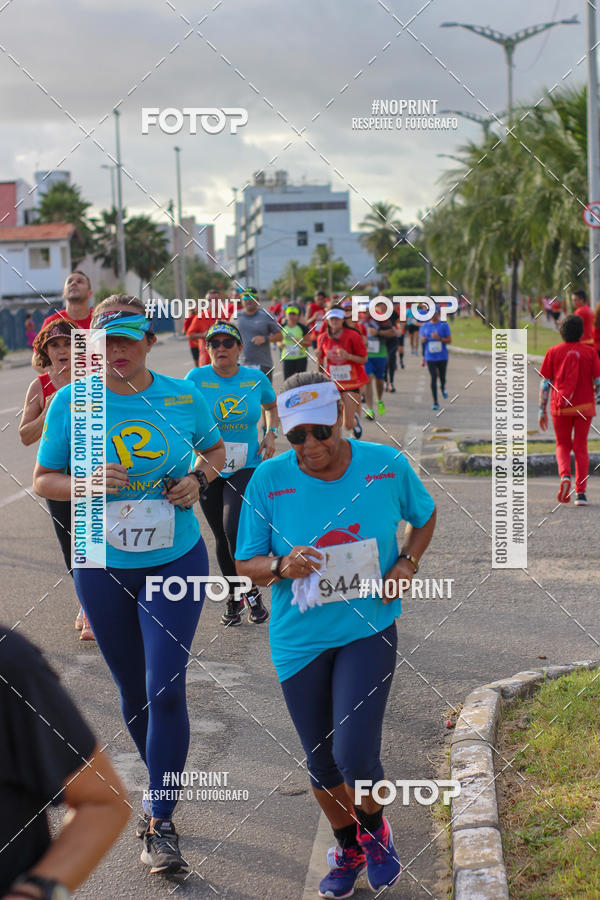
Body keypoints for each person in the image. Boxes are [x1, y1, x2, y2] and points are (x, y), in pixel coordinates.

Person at [33, 294, 226, 876]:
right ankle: (162, 780)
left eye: (128, 339)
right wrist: (86, 482)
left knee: (166, 686)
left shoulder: (183, 395)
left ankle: (159, 816)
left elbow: (217, 453)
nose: (116, 351)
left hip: (175, 557)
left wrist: (197, 478)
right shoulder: (73, 400)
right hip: (99, 558)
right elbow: (43, 479)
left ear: (150, 339)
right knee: (134, 691)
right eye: (105, 341)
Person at [235, 373, 436, 899]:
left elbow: (426, 514)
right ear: (283, 432)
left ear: (344, 416)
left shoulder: (385, 466)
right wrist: (280, 565)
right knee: (321, 759)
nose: (312, 446)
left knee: (356, 755)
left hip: (366, 627)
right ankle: (348, 845)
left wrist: (408, 562)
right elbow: (246, 562)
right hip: (298, 640)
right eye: (297, 436)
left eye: (322, 431)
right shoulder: (268, 479)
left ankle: (376, 831)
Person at [0, 625, 129, 899]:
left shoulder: (8, 662)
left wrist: (34, 892)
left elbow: (103, 801)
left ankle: (161, 815)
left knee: (159, 693)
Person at [185, 319, 276, 625]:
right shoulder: (195, 377)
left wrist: (271, 432)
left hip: (246, 465)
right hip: (208, 467)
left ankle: (248, 591)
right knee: (220, 538)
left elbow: (271, 405)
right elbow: (182, 414)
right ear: (206, 348)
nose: (220, 349)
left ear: (240, 348)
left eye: (227, 343)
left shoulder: (254, 377)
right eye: (214, 344)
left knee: (232, 527)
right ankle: (236, 596)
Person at [19, 320, 94, 641]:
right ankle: (87, 603)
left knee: (93, 542)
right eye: (54, 345)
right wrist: (46, 412)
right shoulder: (40, 386)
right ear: (45, 351)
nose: (62, 351)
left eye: (69, 344)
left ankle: (94, 609)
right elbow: (24, 435)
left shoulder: (95, 379)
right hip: (56, 475)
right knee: (70, 546)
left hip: (92, 472)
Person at [538, 314, 600, 506]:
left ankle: (565, 476)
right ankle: (580, 493)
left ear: (560, 332)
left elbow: (545, 383)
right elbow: (598, 382)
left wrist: (542, 410)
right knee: (581, 446)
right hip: (584, 407)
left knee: (562, 444)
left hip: (560, 407)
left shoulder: (553, 352)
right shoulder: (590, 353)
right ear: (582, 333)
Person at [317, 308, 368, 440]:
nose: (334, 321)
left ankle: (355, 420)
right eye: (331, 318)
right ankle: (336, 448)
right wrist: (319, 362)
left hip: (351, 383)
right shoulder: (322, 338)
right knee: (333, 421)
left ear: (342, 320)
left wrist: (348, 356)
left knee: (348, 425)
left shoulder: (353, 335)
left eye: (337, 319)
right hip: (332, 383)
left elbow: (363, 359)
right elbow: (321, 364)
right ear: (327, 320)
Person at [234, 288, 280, 382]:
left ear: (257, 300)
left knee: (264, 396)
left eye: (252, 297)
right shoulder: (235, 317)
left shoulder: (267, 315)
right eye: (245, 298)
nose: (249, 300)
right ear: (241, 301)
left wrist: (265, 338)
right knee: (245, 395)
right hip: (241, 365)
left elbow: (279, 336)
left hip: (263, 365)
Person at [363, 301, 397, 419]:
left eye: (367, 309)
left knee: (379, 380)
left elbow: (393, 332)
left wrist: (377, 332)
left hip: (380, 353)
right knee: (367, 379)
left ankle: (380, 400)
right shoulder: (357, 319)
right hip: (366, 355)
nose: (365, 312)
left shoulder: (380, 318)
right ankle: (370, 409)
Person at [183, 288, 232, 367]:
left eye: (215, 299)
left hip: (226, 362)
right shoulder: (200, 317)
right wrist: (203, 334)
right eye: (209, 300)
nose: (212, 302)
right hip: (206, 363)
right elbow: (189, 335)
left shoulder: (229, 317)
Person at [421, 309, 452, 410]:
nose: (433, 315)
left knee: (442, 377)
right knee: (433, 377)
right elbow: (422, 339)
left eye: (435, 313)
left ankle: (443, 388)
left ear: (438, 314)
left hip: (442, 356)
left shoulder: (443, 325)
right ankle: (435, 402)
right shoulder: (425, 326)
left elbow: (449, 340)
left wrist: (439, 338)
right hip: (430, 357)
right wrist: (423, 339)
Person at [274, 305, 311, 381]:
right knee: (288, 381)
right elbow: (277, 340)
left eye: (294, 314)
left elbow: (309, 342)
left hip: (301, 358)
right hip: (287, 358)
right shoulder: (282, 327)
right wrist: (280, 344)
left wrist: (300, 342)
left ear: (297, 316)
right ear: (286, 315)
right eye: (289, 314)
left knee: (301, 381)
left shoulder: (303, 328)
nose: (291, 316)